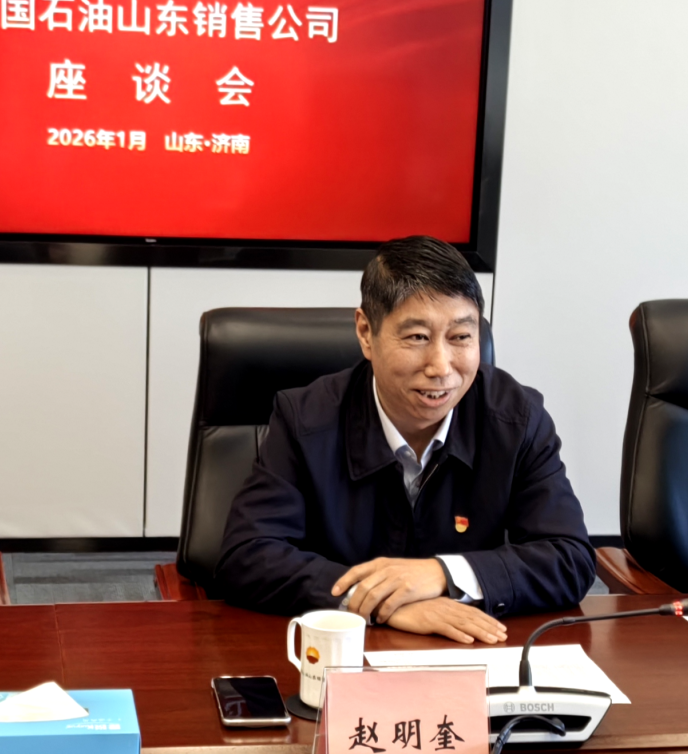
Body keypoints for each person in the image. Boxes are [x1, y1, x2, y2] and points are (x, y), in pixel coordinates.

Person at [215, 236, 595, 642]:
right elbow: (247, 555)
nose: (441, 367)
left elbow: (569, 558)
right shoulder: (306, 419)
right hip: (340, 652)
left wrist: (442, 573)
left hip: (466, 656)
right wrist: (384, 603)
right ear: (366, 332)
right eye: (417, 337)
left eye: (460, 337)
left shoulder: (516, 419)